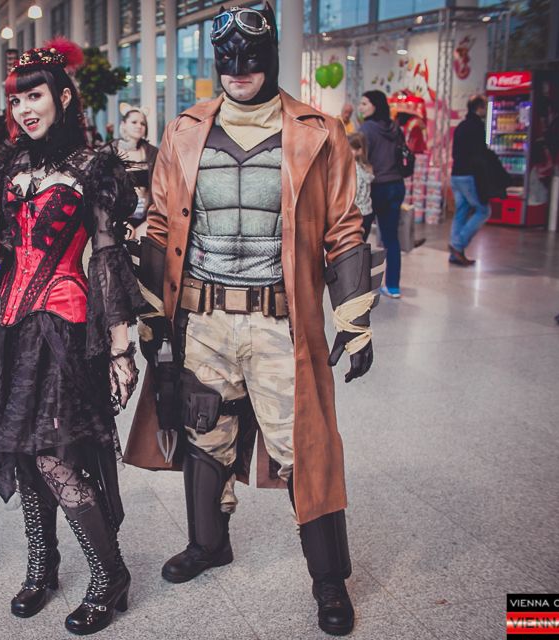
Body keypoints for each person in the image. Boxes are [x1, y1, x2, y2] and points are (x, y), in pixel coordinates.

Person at [123, 5, 378, 637]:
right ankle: (209, 544)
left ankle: (329, 580)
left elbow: (345, 229)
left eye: (252, 57)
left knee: (303, 447)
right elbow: (160, 226)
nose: (238, 70)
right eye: (227, 59)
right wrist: (152, 318)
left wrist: (354, 318)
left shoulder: (319, 132)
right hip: (203, 318)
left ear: (272, 58)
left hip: (278, 322)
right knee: (204, 429)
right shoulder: (185, 131)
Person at [0, 38, 145, 636]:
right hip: (12, 327)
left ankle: (109, 574)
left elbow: (108, 259)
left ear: (64, 97)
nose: (24, 110)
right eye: (17, 101)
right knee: (20, 448)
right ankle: (43, 565)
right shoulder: (15, 165)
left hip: (63, 327)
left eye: (34, 96)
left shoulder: (93, 167)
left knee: (53, 454)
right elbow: (12, 254)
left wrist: (121, 346)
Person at [359, 89, 405, 298]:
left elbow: (359, 159)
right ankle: (393, 286)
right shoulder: (395, 128)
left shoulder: (366, 129)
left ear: (375, 106)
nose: (360, 108)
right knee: (391, 238)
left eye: (364, 104)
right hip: (396, 185)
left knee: (360, 237)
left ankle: (357, 284)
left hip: (374, 187)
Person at [449, 95, 490, 266]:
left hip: (456, 174)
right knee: (483, 210)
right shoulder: (477, 127)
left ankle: (455, 253)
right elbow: (480, 155)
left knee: (461, 211)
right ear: (479, 108)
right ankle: (457, 245)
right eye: (485, 107)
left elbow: (455, 152)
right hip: (469, 175)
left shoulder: (461, 126)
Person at [109, 104, 159, 237]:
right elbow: (104, 191)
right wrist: (118, 221)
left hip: (146, 218)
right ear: (123, 124)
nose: (139, 126)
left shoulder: (152, 153)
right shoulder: (111, 151)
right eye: (134, 122)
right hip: (118, 219)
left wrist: (153, 218)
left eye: (143, 123)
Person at [348, 132, 375, 238]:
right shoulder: (366, 167)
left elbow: (354, 193)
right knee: (361, 245)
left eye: (350, 149)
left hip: (356, 214)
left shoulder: (355, 169)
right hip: (367, 212)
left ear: (359, 150)